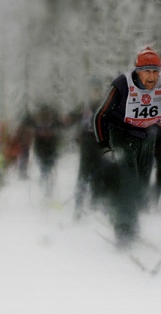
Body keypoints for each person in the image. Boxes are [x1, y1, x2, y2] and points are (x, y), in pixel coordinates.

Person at [93, 47, 161, 244]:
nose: (152, 77)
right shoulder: (122, 85)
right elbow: (100, 116)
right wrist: (104, 146)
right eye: (147, 71)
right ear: (137, 71)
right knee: (128, 181)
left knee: (140, 186)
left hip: (147, 136)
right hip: (121, 134)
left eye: (156, 71)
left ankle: (131, 224)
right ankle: (123, 230)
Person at [68, 76, 105, 219]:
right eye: (93, 90)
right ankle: (79, 207)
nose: (96, 93)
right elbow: (70, 118)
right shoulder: (84, 106)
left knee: (98, 175)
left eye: (98, 90)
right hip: (86, 145)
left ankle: (96, 206)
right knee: (83, 175)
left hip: (100, 145)